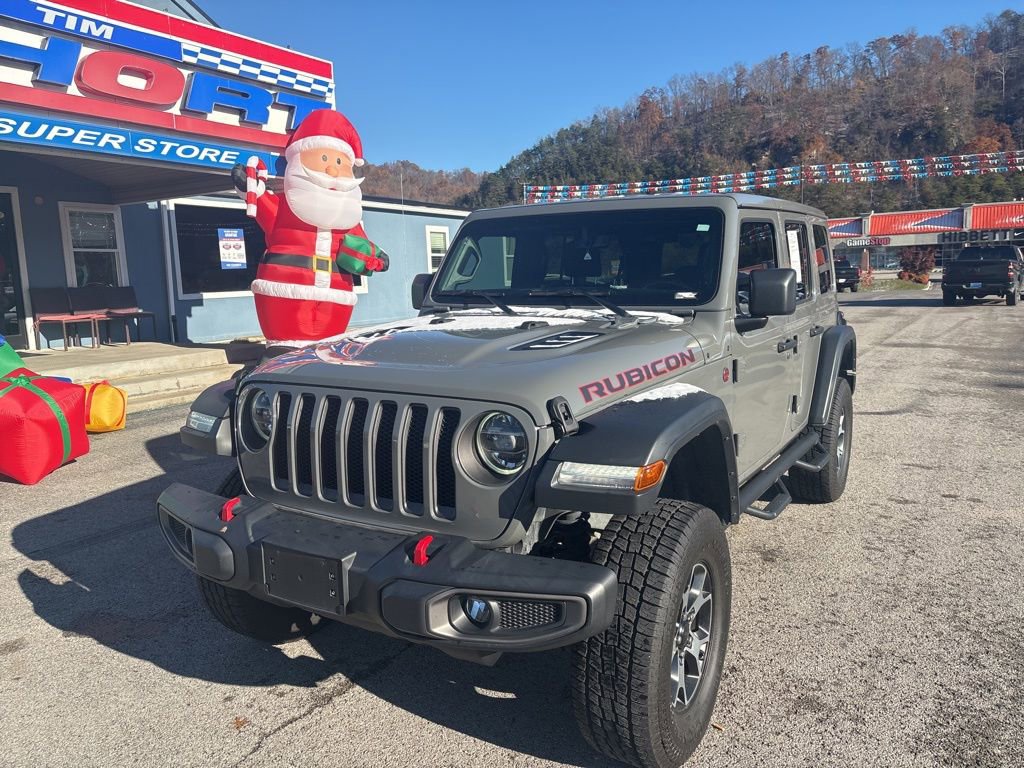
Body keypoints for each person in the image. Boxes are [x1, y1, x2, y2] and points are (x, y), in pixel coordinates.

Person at [232, 109, 389, 346]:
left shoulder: (348, 217)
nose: (333, 170)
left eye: (339, 162)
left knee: (328, 348)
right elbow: (263, 205)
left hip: (336, 296)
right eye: (324, 159)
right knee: (285, 347)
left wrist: (377, 257)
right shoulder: (285, 208)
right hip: (284, 291)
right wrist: (248, 187)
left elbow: (362, 243)